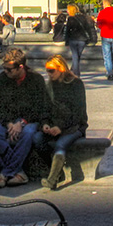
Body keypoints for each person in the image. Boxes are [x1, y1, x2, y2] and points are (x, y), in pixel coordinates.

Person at [0, 48, 50, 187]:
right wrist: (9, 123)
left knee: (27, 133)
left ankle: (5, 173)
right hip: (7, 120)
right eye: (4, 68)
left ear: (21, 67)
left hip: (29, 120)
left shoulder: (36, 79)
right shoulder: (1, 79)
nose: (6, 72)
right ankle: (18, 172)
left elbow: (40, 107)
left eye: (9, 70)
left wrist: (22, 122)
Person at [39, 55, 88, 190]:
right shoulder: (49, 86)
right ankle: (55, 171)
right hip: (54, 125)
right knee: (37, 138)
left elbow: (79, 113)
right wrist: (45, 123)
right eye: (47, 70)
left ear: (61, 69)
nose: (48, 74)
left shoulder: (76, 84)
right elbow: (45, 108)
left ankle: (52, 180)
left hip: (74, 126)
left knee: (60, 144)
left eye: (51, 70)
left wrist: (60, 127)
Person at [96, 0, 113, 81]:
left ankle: (110, 72)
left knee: (107, 55)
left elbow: (98, 24)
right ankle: (110, 70)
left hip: (105, 35)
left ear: (104, 3)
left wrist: (102, 27)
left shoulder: (102, 13)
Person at [63, 4, 93, 76]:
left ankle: (76, 73)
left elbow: (67, 30)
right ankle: (73, 70)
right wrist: (90, 38)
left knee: (75, 56)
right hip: (82, 40)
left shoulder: (71, 19)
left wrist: (66, 41)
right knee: (77, 56)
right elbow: (87, 28)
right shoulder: (83, 17)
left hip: (73, 39)